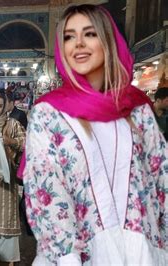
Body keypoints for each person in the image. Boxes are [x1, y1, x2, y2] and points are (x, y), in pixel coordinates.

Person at [21, 4, 168, 265]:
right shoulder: (50, 113)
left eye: (89, 34)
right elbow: (47, 190)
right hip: (77, 257)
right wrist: (68, 257)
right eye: (68, 36)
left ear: (107, 40)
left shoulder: (138, 109)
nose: (78, 44)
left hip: (143, 254)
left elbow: (162, 180)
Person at [0, 89, 25, 265]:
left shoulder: (13, 125)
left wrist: (12, 142)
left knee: (6, 221)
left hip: (7, 186)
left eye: (0, 106)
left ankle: (7, 260)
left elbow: (30, 144)